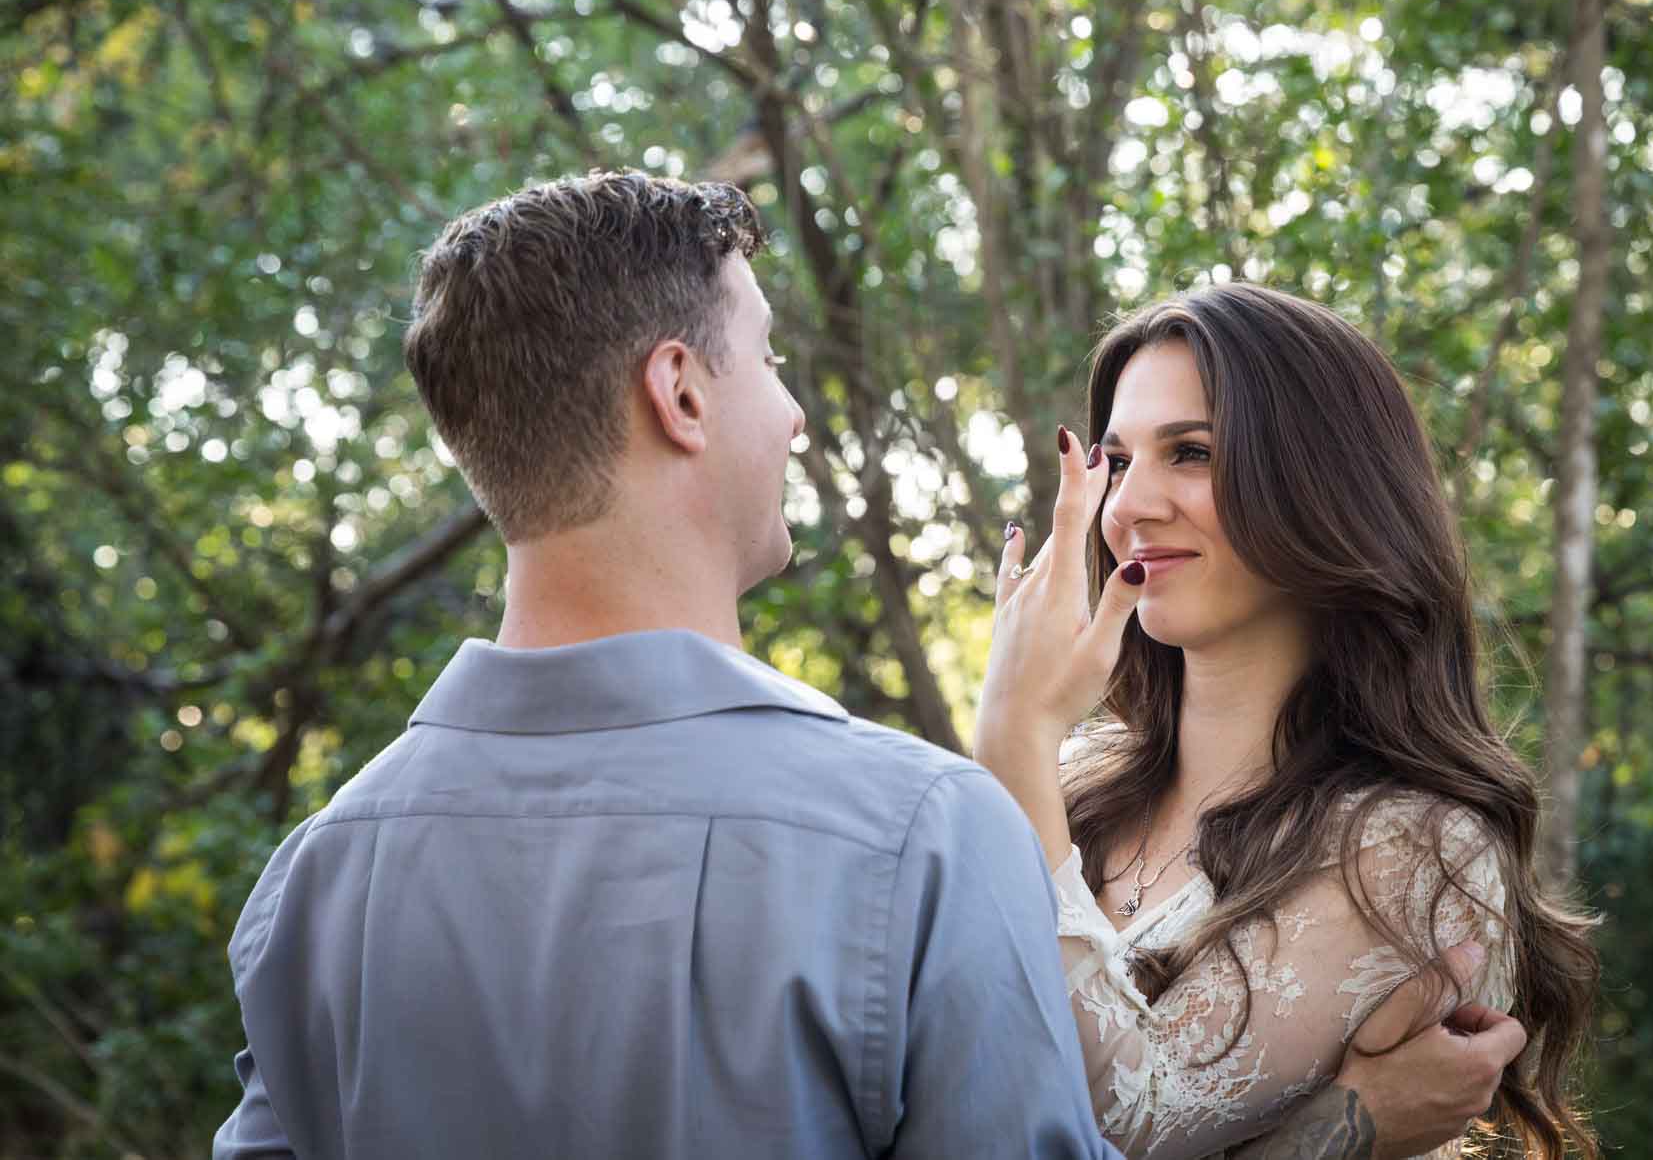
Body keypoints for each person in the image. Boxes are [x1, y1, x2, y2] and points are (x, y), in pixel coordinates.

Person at [213, 170, 1522, 1159]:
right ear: (680, 393)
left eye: (1191, 451)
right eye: (771, 358)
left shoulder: (316, 876)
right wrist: (1344, 1128)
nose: (792, 408)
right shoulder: (922, 834)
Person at [975, 284, 1600, 1160]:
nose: (1130, 507)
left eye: (1190, 452)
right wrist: (1342, 1130)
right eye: (1116, 461)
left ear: (1323, 485)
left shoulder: (1416, 849)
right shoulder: (1074, 783)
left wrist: (1011, 738)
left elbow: (1121, 1124)